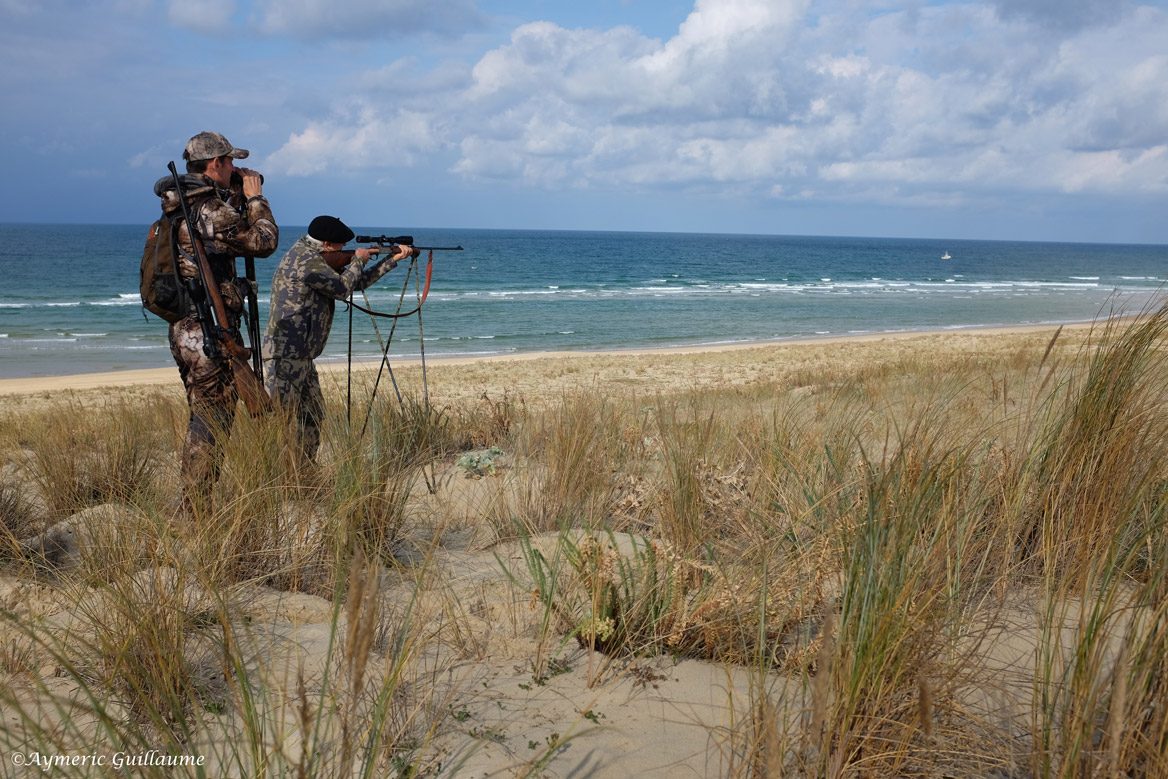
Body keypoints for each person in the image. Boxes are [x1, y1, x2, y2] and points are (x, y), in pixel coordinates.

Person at [155, 131, 279, 518]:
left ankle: (197, 505)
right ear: (215, 165)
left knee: (211, 414)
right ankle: (193, 511)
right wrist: (256, 197)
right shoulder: (206, 210)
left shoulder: (183, 206)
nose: (236, 169)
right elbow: (262, 241)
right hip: (206, 330)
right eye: (230, 163)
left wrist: (236, 199)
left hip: (189, 328)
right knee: (212, 418)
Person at [262, 215, 416, 464]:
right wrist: (358, 259)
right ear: (326, 245)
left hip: (301, 354)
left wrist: (390, 261)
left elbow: (355, 283)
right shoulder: (306, 260)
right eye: (340, 247)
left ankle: (304, 471)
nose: (343, 251)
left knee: (312, 415)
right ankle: (274, 480)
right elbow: (344, 289)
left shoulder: (313, 256)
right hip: (285, 354)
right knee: (281, 420)